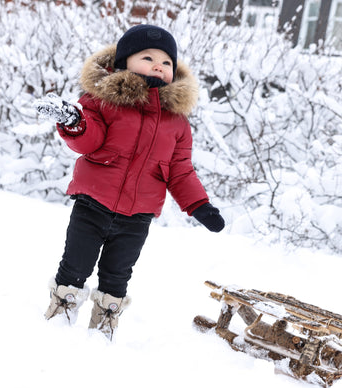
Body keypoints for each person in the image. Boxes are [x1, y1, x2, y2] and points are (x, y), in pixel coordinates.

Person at [35, 24, 225, 340]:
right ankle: (61, 314)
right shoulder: (103, 101)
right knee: (76, 263)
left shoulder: (176, 122)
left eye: (166, 62)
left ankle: (105, 324)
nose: (158, 66)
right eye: (147, 57)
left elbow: (180, 171)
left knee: (118, 273)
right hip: (93, 203)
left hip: (137, 217)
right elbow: (89, 140)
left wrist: (199, 205)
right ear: (124, 62)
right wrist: (75, 121)